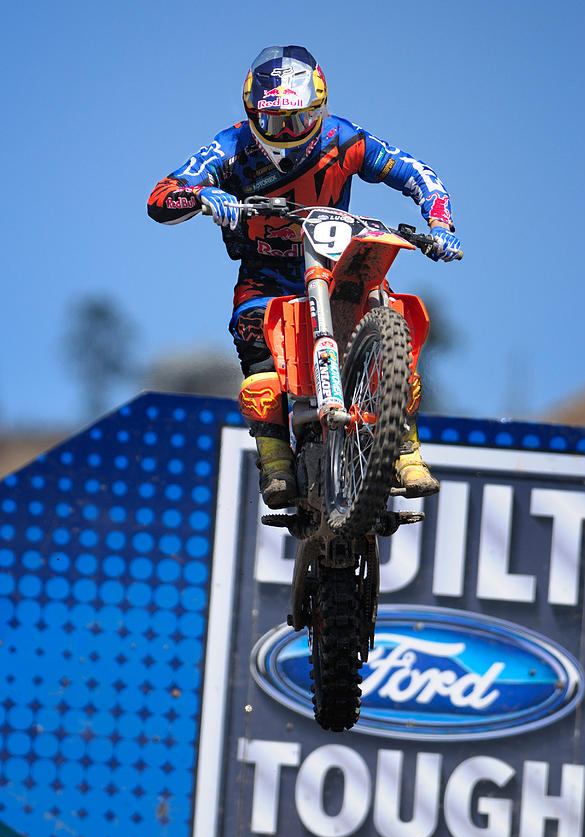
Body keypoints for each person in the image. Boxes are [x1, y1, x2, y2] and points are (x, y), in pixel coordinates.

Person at [148, 45, 462, 509]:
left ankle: (405, 447)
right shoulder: (230, 146)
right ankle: (274, 457)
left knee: (391, 314)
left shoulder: (345, 139)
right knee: (257, 350)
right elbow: (162, 196)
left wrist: (439, 223)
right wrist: (199, 197)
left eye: (297, 120)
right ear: (253, 113)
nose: (287, 133)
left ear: (320, 109)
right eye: (275, 122)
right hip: (267, 274)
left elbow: (417, 172)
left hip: (339, 263)